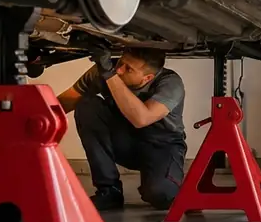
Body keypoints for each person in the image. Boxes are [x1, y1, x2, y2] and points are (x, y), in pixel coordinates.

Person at [57, 46, 187, 211]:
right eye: (120, 62)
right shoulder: (106, 70)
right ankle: (109, 191)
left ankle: (167, 182)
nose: (119, 70)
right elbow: (62, 104)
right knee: (87, 106)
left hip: (162, 145)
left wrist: (110, 76)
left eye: (129, 69)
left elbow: (142, 119)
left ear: (147, 78)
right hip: (125, 140)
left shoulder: (170, 83)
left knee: (161, 196)